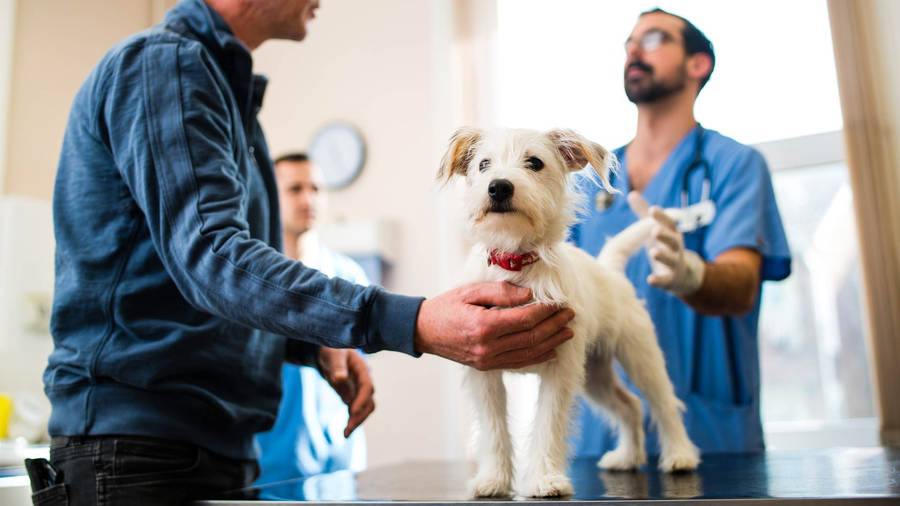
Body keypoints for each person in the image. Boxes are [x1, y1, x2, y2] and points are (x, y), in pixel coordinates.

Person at [30, 0, 576, 504]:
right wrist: (408, 320)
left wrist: (313, 345)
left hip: (203, 446)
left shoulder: (218, 90)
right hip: (140, 451)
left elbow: (201, 283)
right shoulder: (165, 68)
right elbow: (213, 258)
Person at [569, 8, 791, 457]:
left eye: (653, 39)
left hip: (712, 435)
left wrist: (690, 275)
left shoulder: (734, 165)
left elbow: (741, 287)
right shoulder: (587, 179)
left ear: (697, 64)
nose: (633, 49)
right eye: (629, 42)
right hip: (600, 442)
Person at [254, 152, 368, 487]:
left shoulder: (348, 276)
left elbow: (358, 369)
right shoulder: (250, 282)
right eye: (295, 189)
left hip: (339, 464)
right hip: (268, 464)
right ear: (270, 197)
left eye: (316, 188)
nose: (308, 198)